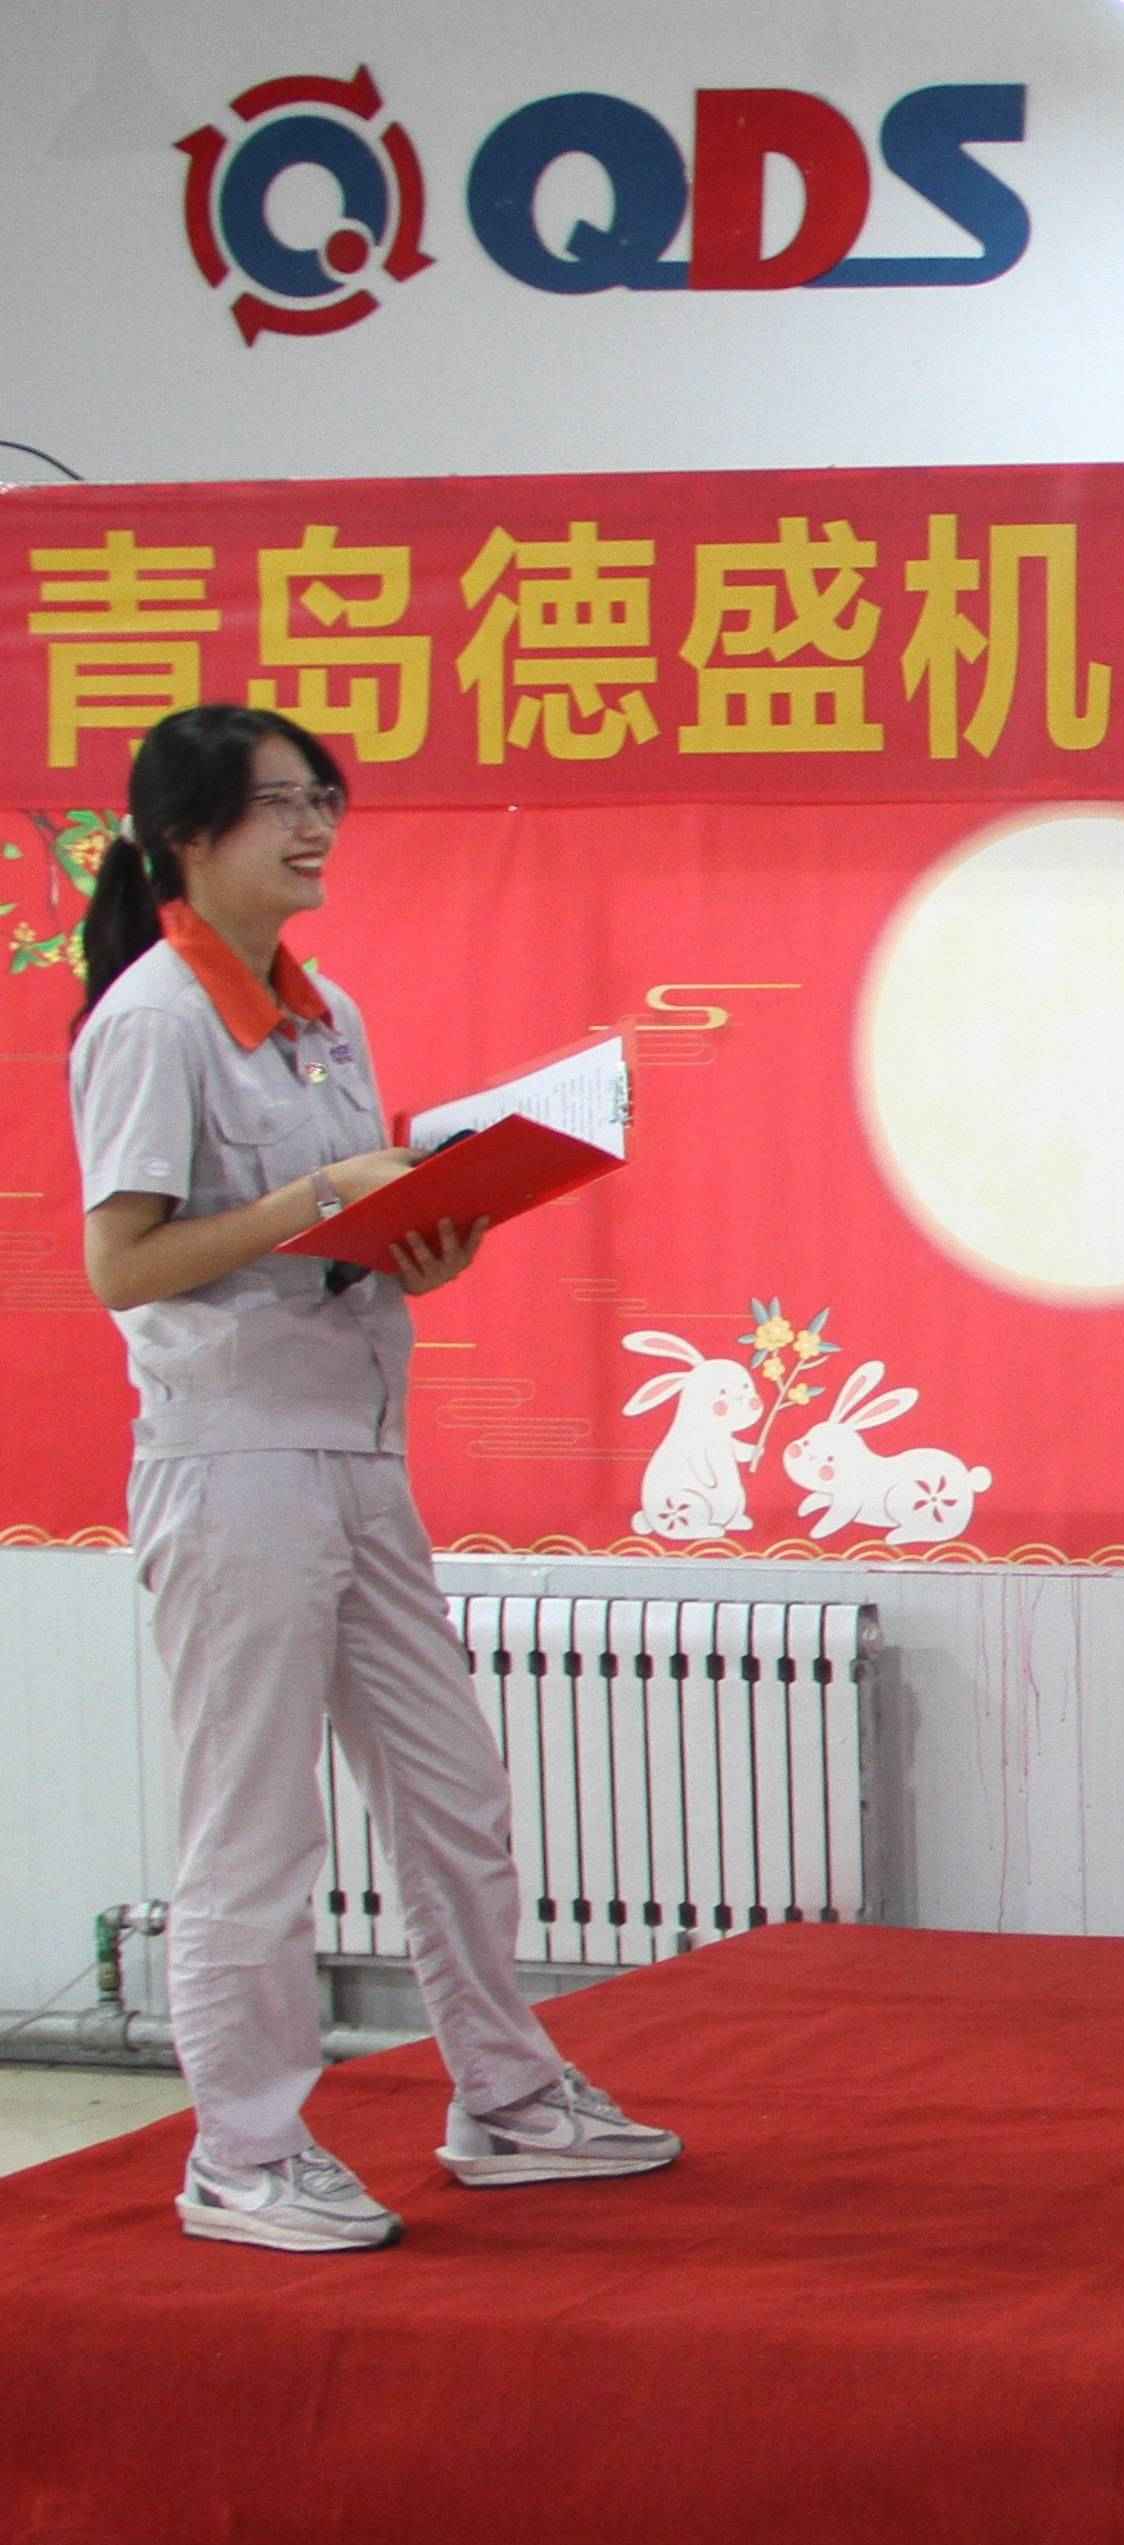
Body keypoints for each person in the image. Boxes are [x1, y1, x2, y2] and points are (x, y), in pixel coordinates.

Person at [68, 704, 681, 2255]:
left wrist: (419, 1232)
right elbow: (122, 1263)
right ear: (187, 836)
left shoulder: (322, 1009)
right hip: (234, 1460)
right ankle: (244, 2151)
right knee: (256, 1826)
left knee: (451, 1787)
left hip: (354, 1443)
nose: (314, 827)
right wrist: (312, 1199)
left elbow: (337, 1226)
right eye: (281, 802)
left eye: (323, 799)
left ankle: (508, 2097)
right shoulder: (152, 1020)